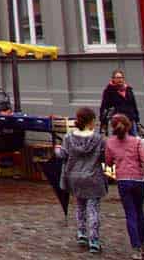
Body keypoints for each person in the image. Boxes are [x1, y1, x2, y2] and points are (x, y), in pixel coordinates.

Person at [106, 112, 144, 259]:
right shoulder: (136, 141)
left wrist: (110, 175)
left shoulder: (110, 142)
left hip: (123, 181)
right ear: (128, 126)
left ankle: (136, 249)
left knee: (130, 215)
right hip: (138, 181)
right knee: (140, 213)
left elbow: (108, 163)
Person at [59, 106, 107, 252]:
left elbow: (63, 155)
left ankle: (81, 233)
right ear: (91, 121)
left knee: (80, 205)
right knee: (93, 209)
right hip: (93, 177)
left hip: (74, 176)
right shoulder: (98, 139)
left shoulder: (68, 137)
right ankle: (94, 240)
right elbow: (104, 157)